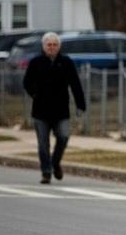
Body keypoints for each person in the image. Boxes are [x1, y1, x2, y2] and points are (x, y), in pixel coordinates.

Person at [22, 32, 86, 184]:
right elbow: (27, 82)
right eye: (49, 45)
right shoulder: (36, 62)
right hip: (40, 111)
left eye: (55, 45)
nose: (52, 47)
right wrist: (35, 94)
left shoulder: (66, 62)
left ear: (59, 47)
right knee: (43, 144)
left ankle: (55, 162)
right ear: (44, 47)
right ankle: (46, 172)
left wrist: (80, 104)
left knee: (63, 137)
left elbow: (75, 84)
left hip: (61, 110)